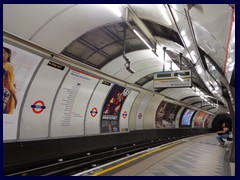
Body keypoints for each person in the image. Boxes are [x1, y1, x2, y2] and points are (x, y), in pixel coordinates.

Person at [3, 47, 17, 114]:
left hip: (5, 94)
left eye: (3, 52)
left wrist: (15, 98)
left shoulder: (9, 66)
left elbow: (10, 84)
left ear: (8, 55)